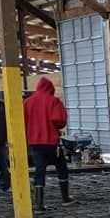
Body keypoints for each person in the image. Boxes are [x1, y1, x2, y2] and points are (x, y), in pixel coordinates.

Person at [24, 76, 75, 209]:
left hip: (35, 143)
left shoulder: (27, 102)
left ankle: (39, 204)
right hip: (51, 142)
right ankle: (65, 198)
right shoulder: (54, 101)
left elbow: (23, 121)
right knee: (61, 168)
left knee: (39, 171)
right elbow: (59, 120)